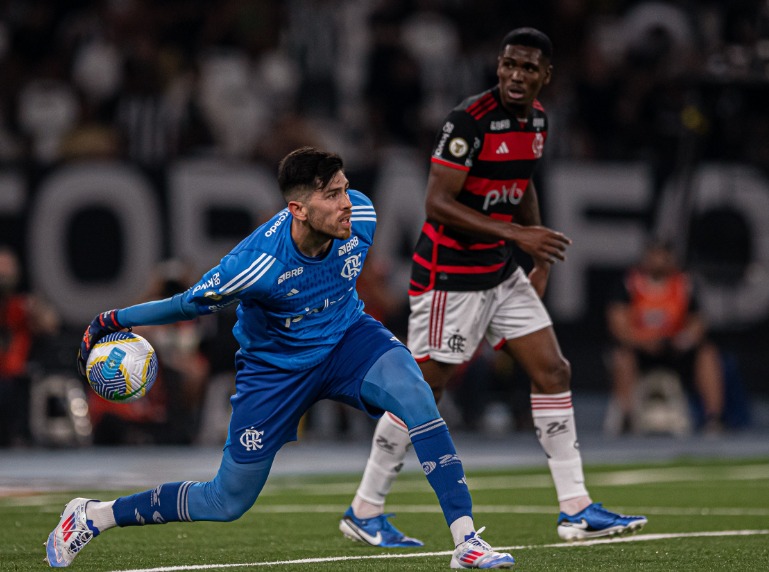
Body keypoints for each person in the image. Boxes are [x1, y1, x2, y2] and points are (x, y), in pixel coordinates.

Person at [44, 147, 515, 569]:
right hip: (276, 370)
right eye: (332, 195)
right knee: (226, 501)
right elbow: (187, 302)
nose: (347, 203)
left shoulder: (363, 216)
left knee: (417, 395)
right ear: (298, 209)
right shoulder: (257, 264)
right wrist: (113, 318)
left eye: (345, 188)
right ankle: (95, 515)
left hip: (348, 339)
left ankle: (466, 541)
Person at [339, 28, 647, 547]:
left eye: (528, 68)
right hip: (448, 275)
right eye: (508, 65)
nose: (515, 75)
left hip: (500, 270)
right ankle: (365, 508)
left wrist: (534, 251)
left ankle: (575, 508)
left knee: (553, 369)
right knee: (423, 389)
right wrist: (517, 233)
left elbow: (519, 182)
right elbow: (437, 202)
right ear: (498, 67)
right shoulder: (468, 121)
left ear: (546, 75)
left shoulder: (539, 121)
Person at [605, 239, 724, 434]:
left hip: (674, 350)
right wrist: (644, 341)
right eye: (655, 254)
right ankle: (625, 415)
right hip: (641, 350)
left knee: (708, 353)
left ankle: (714, 418)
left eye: (664, 255)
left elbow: (698, 322)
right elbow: (617, 325)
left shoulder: (685, 285)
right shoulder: (629, 284)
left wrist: (684, 340)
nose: (659, 260)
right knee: (621, 356)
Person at [0, 246, 60, 447]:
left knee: (16, 386)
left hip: (16, 378)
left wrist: (37, 308)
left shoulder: (22, 305)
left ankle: (18, 437)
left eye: (7, 270)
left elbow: (50, 325)